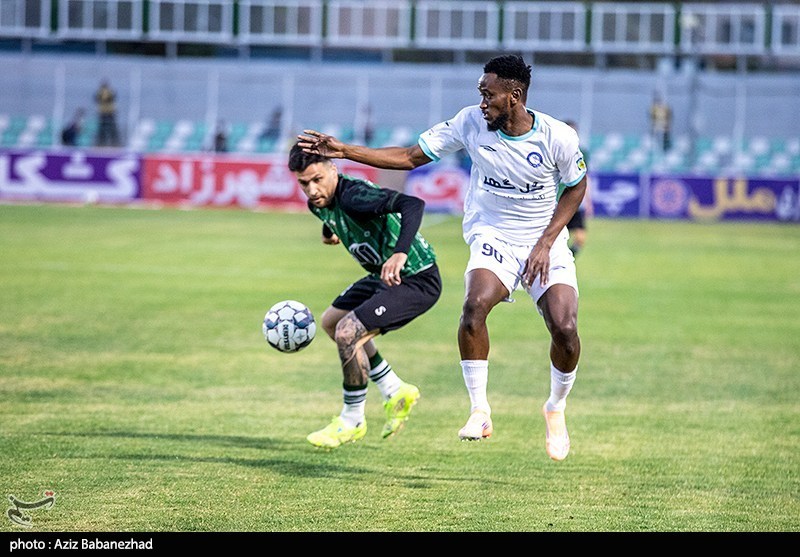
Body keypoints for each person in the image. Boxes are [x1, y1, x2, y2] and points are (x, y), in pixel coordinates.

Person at [297, 54, 587, 461]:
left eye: (488, 95)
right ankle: (479, 410)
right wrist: (345, 151)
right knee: (473, 307)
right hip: (493, 235)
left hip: (544, 240)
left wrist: (545, 242)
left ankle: (555, 406)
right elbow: (410, 157)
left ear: (515, 96)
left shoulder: (557, 137)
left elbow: (576, 186)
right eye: (480, 94)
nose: (482, 103)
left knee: (565, 327)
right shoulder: (469, 122)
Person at [287, 141, 442, 449]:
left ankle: (352, 420)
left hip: (416, 278)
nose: (312, 190)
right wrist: (330, 230)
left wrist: (400, 253)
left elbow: (413, 205)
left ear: (333, 169)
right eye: (304, 183)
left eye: (318, 179)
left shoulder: (354, 196)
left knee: (348, 332)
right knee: (332, 322)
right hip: (382, 277)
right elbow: (329, 215)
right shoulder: (318, 204)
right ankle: (394, 389)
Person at [561, 120, 592, 257]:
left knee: (580, 237)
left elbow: (585, 178)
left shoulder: (582, 153)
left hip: (575, 201)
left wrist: (588, 201)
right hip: (558, 201)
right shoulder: (553, 150)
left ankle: (568, 257)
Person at [94, 79, 119, 147]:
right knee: (103, 129)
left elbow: (112, 97)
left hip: (109, 112)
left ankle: (114, 142)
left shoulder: (108, 92)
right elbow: (98, 99)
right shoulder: (101, 92)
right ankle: (102, 142)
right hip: (104, 112)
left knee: (112, 129)